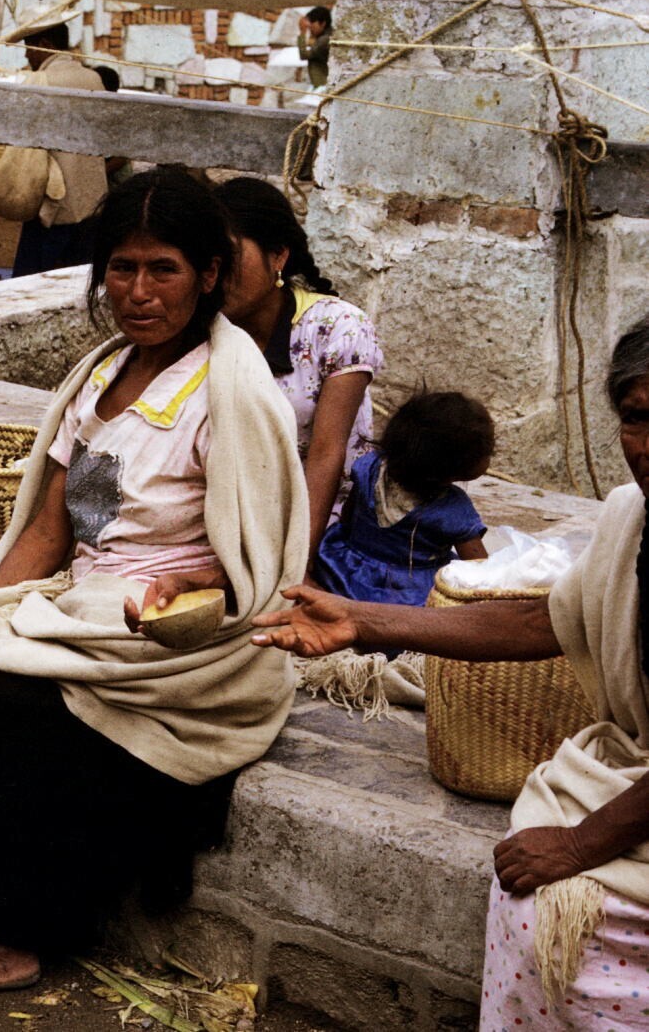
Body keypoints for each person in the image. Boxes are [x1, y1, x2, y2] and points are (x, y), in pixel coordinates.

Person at [0, 168, 307, 1001]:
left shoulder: (230, 392)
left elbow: (250, 565)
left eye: (163, 269)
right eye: (121, 268)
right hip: (80, 621)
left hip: (169, 648)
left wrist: (179, 588)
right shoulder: (103, 375)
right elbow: (46, 531)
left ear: (208, 273)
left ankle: (12, 938)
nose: (138, 292)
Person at [253, 312, 649, 1030]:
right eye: (636, 418)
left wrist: (578, 844)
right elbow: (543, 621)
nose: (647, 447)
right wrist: (361, 621)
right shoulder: (630, 518)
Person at [214, 177, 382, 559]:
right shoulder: (208, 331)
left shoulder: (337, 327)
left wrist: (298, 560)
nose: (217, 275)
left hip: (325, 522)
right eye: (208, 261)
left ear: (278, 256)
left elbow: (327, 455)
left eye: (231, 258)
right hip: (237, 517)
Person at [315, 391, 490, 605]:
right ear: (454, 468)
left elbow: (347, 519)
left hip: (346, 573)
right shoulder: (453, 508)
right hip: (406, 592)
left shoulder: (369, 467)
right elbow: (480, 570)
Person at [0, 18, 109, 276]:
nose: (27, 55)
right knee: (81, 280)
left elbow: (17, 134)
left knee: (33, 281)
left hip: (52, 204)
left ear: (46, 44)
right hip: (92, 202)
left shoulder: (39, 80)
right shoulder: (94, 78)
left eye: (29, 48)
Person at [297, 6, 333, 89]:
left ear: (323, 23)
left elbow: (303, 55)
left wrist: (302, 32)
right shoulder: (325, 37)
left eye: (312, 27)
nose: (310, 30)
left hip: (323, 85)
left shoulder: (325, 39)